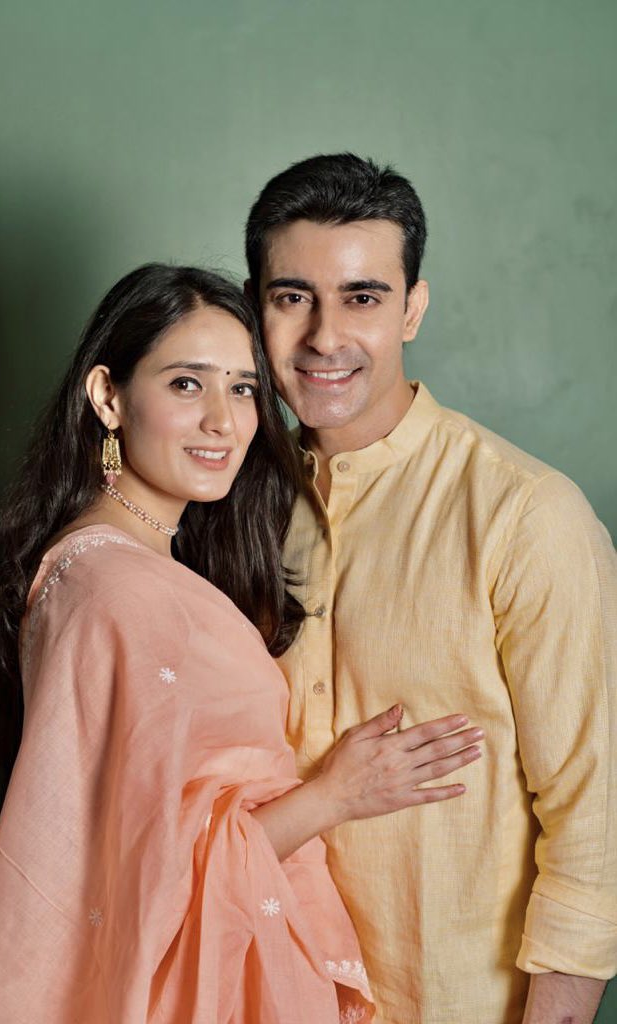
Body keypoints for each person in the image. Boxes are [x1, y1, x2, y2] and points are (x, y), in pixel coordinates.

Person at [0, 264, 483, 1023]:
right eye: (186, 385)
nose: (224, 423)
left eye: (242, 389)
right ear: (107, 397)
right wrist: (339, 794)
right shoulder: (119, 593)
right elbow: (157, 875)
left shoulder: (106, 567)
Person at [245, 154, 617, 1024]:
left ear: (412, 308)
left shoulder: (525, 513)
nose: (325, 337)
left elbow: (594, 813)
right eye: (293, 296)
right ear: (256, 308)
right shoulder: (235, 507)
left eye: (362, 297)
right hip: (274, 993)